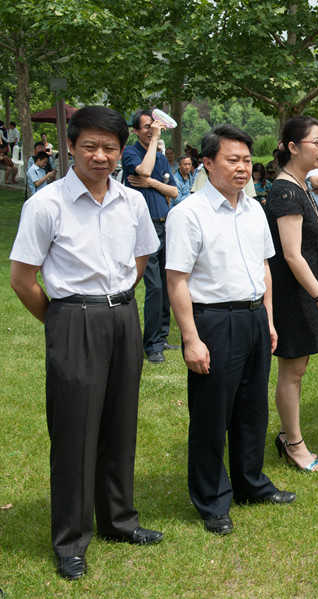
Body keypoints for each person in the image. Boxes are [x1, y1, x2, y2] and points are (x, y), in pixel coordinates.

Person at [9, 106, 163, 580]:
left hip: (122, 316)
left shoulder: (132, 202)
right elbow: (22, 279)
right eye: (91, 147)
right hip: (72, 318)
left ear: (121, 151)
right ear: (71, 147)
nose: (101, 156)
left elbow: (141, 260)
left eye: (110, 148)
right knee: (76, 433)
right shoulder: (46, 204)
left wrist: (116, 303)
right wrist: (61, 319)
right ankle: (71, 540)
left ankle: (119, 520)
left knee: (120, 424)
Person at [166, 125, 296, 536]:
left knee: (252, 409)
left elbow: (264, 268)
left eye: (245, 160)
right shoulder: (188, 213)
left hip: (254, 317)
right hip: (213, 321)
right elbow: (177, 281)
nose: (242, 168)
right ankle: (211, 499)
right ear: (208, 163)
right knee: (211, 414)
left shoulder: (254, 208)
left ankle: (250, 483)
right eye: (231, 160)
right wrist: (191, 338)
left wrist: (270, 320)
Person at [265, 116, 318, 471]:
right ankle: (293, 442)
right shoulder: (285, 190)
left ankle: (287, 434)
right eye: (316, 142)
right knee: (292, 371)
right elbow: (292, 254)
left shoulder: (301, 185)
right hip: (293, 295)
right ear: (292, 147)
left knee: (298, 368)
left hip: (302, 292)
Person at [122, 110, 178, 363]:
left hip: (166, 224)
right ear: (136, 131)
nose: (150, 130)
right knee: (154, 286)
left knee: (168, 285)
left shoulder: (161, 158)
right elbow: (143, 171)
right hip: (144, 227)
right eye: (146, 127)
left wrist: (153, 184)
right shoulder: (131, 153)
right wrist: (155, 139)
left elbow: (174, 191)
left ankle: (161, 336)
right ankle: (152, 344)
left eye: (153, 127)